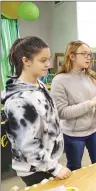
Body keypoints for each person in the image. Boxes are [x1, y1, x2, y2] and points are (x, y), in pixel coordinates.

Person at [1, 36, 71, 186]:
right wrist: (54, 168)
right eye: (43, 60)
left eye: (49, 59)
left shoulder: (38, 84)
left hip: (47, 160)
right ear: (26, 61)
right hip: (35, 167)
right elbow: (27, 144)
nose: (49, 64)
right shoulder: (18, 100)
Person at [51, 40, 96, 171]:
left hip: (95, 130)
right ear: (71, 56)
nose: (88, 57)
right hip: (73, 134)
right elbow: (61, 112)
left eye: (89, 54)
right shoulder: (59, 80)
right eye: (84, 54)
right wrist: (90, 104)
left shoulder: (92, 76)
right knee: (74, 167)